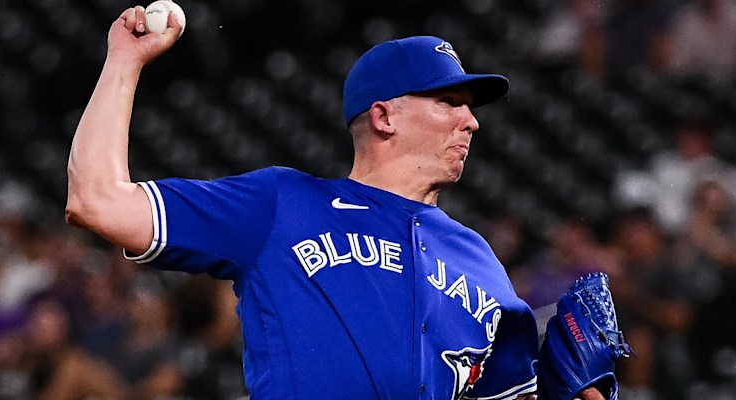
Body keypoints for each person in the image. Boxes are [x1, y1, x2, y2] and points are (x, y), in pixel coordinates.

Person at [65, 5, 613, 400]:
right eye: (449, 100)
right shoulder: (281, 205)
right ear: (384, 116)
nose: (471, 120)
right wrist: (124, 62)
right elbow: (97, 201)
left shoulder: (479, 259)